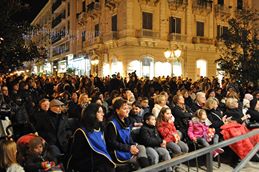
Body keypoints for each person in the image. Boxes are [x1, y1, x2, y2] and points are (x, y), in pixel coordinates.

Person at [67, 103, 116, 172]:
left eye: (102, 112)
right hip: (87, 164)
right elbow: (77, 155)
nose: (103, 114)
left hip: (98, 162)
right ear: (92, 114)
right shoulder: (81, 132)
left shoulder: (99, 129)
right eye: (99, 112)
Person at [105, 99, 150, 171]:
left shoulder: (126, 120)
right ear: (117, 110)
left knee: (142, 148)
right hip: (118, 151)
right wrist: (129, 148)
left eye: (128, 108)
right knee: (136, 162)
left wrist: (133, 145)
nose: (127, 110)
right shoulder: (112, 124)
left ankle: (148, 169)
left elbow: (128, 137)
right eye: (124, 109)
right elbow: (112, 143)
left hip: (127, 147)